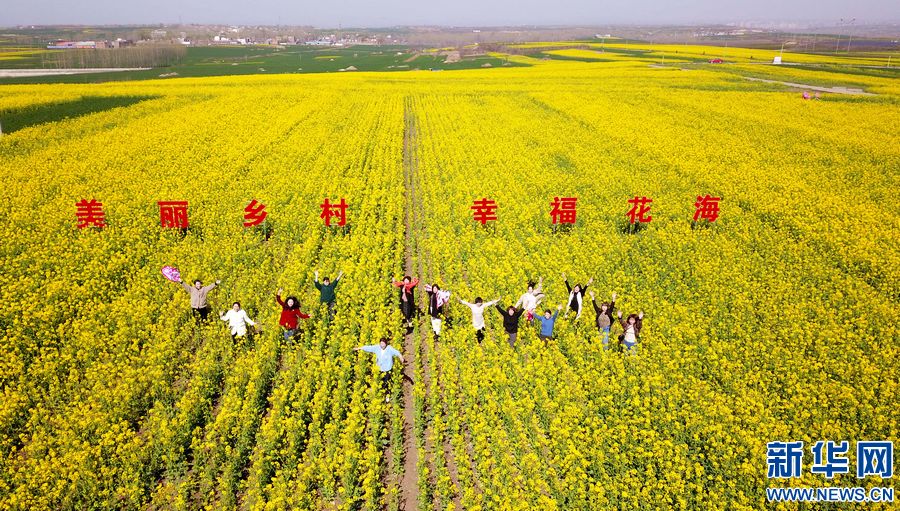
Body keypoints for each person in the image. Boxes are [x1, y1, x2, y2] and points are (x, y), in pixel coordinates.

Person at [353, 338, 405, 402]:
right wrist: (359, 348)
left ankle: (387, 396)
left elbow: (396, 352)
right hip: (379, 369)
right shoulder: (377, 347)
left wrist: (401, 357)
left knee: (386, 383)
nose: (382, 345)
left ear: (386, 343)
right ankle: (378, 395)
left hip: (387, 369)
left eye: (384, 344)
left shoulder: (389, 348)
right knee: (378, 382)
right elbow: (369, 348)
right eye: (381, 344)